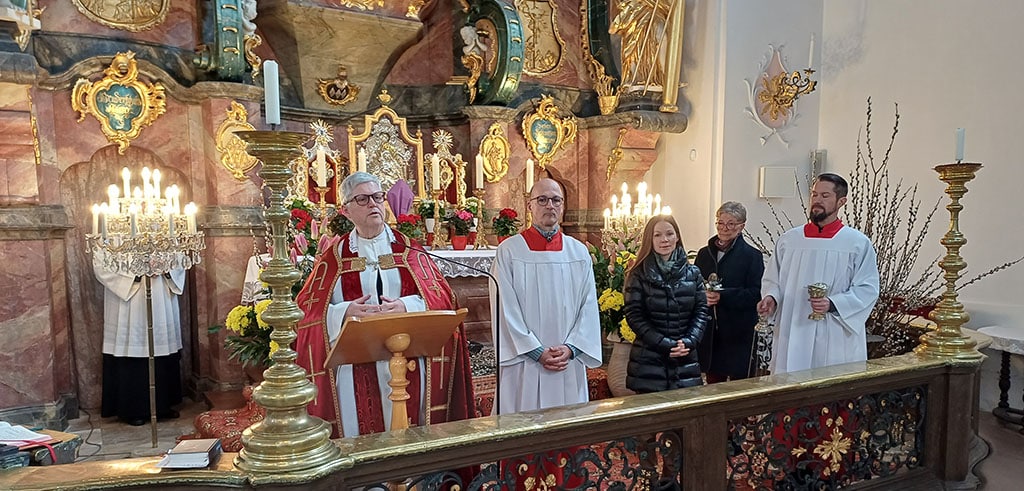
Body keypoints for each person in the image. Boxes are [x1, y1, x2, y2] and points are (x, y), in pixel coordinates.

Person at [294, 172, 475, 437]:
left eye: (378, 197)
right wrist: (344, 312)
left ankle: (413, 475)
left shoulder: (408, 249)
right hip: (354, 365)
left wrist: (407, 306)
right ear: (346, 210)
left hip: (408, 359)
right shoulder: (334, 257)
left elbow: (443, 299)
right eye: (363, 199)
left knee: (411, 434)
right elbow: (306, 312)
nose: (374, 205)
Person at [491, 177, 603, 414]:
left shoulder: (578, 252)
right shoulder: (510, 251)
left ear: (562, 207)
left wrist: (572, 348)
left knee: (567, 433)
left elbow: (589, 306)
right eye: (542, 199)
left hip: (567, 361)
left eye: (556, 200)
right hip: (525, 362)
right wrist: (535, 350)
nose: (549, 205)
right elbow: (504, 308)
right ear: (529, 205)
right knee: (523, 429)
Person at [757, 173, 880, 373]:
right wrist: (771, 297)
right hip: (792, 327)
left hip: (834, 332)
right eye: (814, 195)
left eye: (825, 196)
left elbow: (867, 289)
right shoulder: (789, 240)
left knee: (829, 390)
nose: (817, 201)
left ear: (841, 201)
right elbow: (772, 278)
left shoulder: (857, 243)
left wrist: (833, 304)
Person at [93, 253, 185, 426]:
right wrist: (136, 273)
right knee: (132, 348)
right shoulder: (111, 229)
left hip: (160, 292)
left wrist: (165, 267)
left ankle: (162, 405)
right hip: (128, 299)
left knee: (161, 346)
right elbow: (101, 264)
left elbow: (180, 255)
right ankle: (132, 408)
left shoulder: (165, 227)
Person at [623, 215, 709, 393]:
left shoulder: (692, 273)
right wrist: (665, 344)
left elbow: (701, 311)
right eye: (658, 235)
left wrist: (688, 341)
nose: (664, 240)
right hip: (649, 360)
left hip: (685, 358)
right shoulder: (638, 274)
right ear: (650, 239)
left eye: (669, 234)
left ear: (677, 237)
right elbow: (634, 316)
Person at [694, 202, 764, 382]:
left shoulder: (752, 256)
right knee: (713, 383)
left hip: (738, 332)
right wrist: (703, 296)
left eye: (731, 223)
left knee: (738, 385)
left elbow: (755, 293)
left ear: (742, 226)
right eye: (720, 222)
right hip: (710, 332)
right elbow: (693, 287)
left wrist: (723, 296)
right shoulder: (704, 254)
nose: (724, 228)